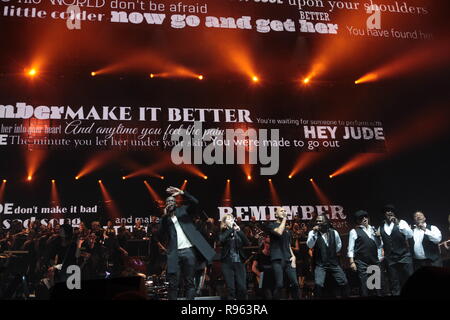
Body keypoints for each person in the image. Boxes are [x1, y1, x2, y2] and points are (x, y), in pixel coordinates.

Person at [158, 186, 216, 300]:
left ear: (176, 202)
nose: (170, 203)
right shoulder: (165, 219)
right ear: (165, 204)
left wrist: (182, 192)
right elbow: (160, 234)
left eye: (172, 201)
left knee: (190, 282)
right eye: (168, 202)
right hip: (174, 253)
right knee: (173, 284)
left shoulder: (183, 210)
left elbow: (195, 202)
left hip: (188, 251)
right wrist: (164, 216)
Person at [307, 214, 349, 298]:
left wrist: (330, 253)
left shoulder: (334, 232)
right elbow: (310, 245)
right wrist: (314, 233)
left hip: (333, 263)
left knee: (344, 282)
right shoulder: (312, 233)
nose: (318, 222)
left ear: (326, 222)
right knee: (318, 284)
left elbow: (338, 246)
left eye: (320, 221)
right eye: (317, 221)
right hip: (320, 264)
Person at [265, 207, 301, 300]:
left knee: (295, 283)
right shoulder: (271, 225)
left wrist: (293, 257)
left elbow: (288, 245)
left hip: (288, 258)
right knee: (280, 284)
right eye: (281, 211)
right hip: (277, 259)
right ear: (276, 214)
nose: (284, 212)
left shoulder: (288, 230)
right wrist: (284, 219)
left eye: (285, 211)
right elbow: (279, 232)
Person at [379, 204, 413, 296]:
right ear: (384, 214)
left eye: (391, 210)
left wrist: (397, 223)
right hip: (390, 258)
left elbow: (410, 234)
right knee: (394, 281)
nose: (389, 212)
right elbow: (382, 243)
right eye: (387, 211)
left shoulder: (401, 222)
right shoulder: (381, 227)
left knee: (409, 278)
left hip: (404, 256)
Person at [348, 210, 383, 297]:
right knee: (364, 286)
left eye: (365, 216)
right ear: (357, 220)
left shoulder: (373, 229)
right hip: (361, 262)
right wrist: (352, 262)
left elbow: (379, 245)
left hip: (374, 260)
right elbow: (351, 248)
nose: (364, 219)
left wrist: (379, 237)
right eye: (361, 217)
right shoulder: (354, 231)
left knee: (376, 285)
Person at [218, 214, 249, 300]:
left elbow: (247, 243)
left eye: (232, 218)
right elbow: (221, 240)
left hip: (239, 262)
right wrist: (231, 229)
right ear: (224, 222)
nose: (231, 220)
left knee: (242, 287)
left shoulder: (238, 231)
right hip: (227, 263)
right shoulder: (223, 231)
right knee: (231, 289)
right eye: (228, 219)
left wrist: (239, 231)